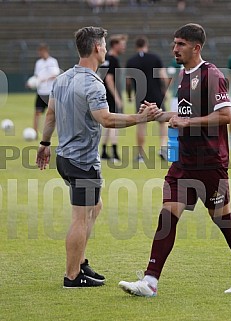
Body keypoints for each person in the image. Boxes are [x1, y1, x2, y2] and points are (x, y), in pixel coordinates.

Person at [119, 23, 231, 296]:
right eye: (174, 44)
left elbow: (225, 115)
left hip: (210, 162)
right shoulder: (183, 75)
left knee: (222, 218)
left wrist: (188, 122)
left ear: (196, 47)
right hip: (183, 163)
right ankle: (150, 281)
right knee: (167, 214)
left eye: (180, 44)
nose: (175, 49)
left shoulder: (212, 75)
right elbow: (182, 113)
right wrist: (158, 114)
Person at [36, 26, 161, 288]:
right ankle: (72, 276)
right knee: (80, 218)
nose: (105, 48)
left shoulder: (63, 78)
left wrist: (45, 143)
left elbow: (50, 115)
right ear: (96, 48)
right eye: (103, 44)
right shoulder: (93, 83)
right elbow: (105, 119)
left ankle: (80, 262)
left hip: (65, 158)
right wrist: (141, 118)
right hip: (82, 162)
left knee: (96, 206)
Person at [126, 36, 169, 161]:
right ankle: (162, 148)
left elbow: (128, 82)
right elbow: (164, 77)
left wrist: (129, 95)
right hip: (156, 95)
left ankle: (140, 154)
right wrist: (164, 93)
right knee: (162, 122)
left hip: (140, 97)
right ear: (146, 45)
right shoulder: (155, 58)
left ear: (136, 46)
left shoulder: (131, 61)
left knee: (141, 123)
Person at [100, 34, 127, 161]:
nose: (124, 47)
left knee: (108, 123)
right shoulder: (113, 59)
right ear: (115, 45)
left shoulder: (106, 58)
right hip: (111, 95)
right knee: (115, 123)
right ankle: (114, 153)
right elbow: (109, 78)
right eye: (122, 45)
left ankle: (104, 151)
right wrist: (117, 97)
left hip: (104, 94)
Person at [32, 43, 60, 136]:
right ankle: (34, 133)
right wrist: (31, 82)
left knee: (52, 113)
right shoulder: (38, 63)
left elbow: (55, 74)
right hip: (41, 92)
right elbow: (36, 76)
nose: (40, 54)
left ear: (46, 51)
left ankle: (54, 131)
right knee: (37, 112)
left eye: (41, 51)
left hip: (50, 92)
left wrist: (45, 79)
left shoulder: (53, 61)